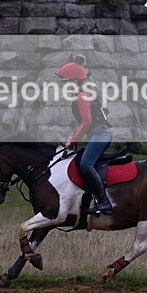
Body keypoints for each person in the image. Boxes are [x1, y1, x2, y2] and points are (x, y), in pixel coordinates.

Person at [57, 54, 114, 215]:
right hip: (98, 133)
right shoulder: (86, 93)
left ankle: (104, 203)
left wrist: (73, 139)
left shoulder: (82, 96)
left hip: (100, 133)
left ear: (74, 81)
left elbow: (87, 122)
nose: (62, 87)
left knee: (85, 164)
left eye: (64, 83)